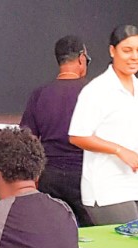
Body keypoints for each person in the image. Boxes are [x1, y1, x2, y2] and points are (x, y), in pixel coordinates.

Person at [68, 25, 138, 225]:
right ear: (112, 51)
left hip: (136, 183)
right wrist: (119, 150)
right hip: (106, 187)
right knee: (127, 243)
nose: (134, 57)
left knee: (135, 243)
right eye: (127, 50)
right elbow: (77, 136)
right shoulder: (97, 90)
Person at [20, 35, 92, 227]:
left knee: (53, 231)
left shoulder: (39, 95)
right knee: (92, 236)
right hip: (86, 176)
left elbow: (27, 139)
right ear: (81, 58)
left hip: (49, 176)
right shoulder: (92, 93)